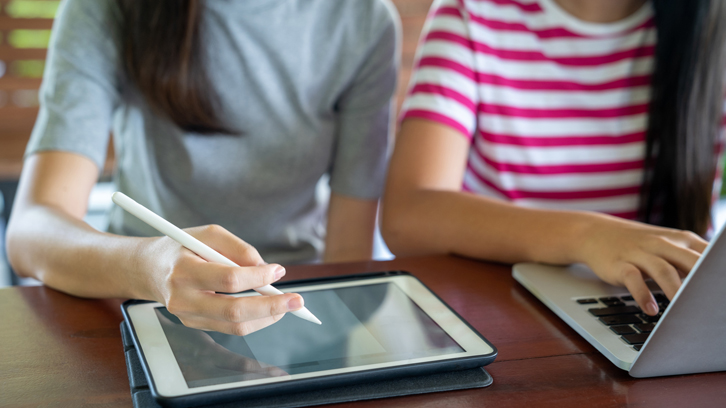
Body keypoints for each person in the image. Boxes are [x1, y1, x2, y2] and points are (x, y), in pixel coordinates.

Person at [6, 0, 399, 335]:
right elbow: (30, 232)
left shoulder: (364, 20)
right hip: (135, 303)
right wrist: (149, 268)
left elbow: (349, 255)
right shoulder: (109, 7)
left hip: (293, 303)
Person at [381, 0, 726, 316]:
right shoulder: (472, 14)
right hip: (499, 314)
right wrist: (587, 237)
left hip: (652, 313)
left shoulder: (714, 33)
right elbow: (408, 216)